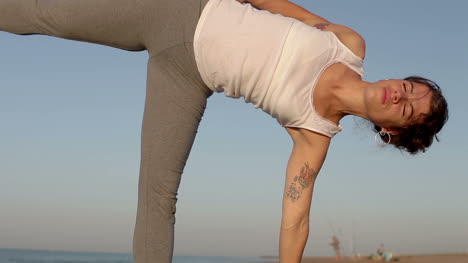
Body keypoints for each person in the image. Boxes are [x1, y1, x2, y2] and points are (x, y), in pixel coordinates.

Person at [1, 0, 448, 263]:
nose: (399, 96)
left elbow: (296, 220)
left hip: (183, 76)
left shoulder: (314, 135)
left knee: (157, 198)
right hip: (182, 8)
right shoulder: (349, 45)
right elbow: (275, 5)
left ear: (392, 133)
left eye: (409, 110)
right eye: (409, 87)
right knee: (46, 14)